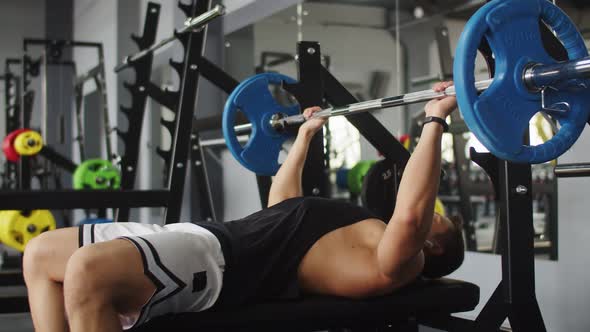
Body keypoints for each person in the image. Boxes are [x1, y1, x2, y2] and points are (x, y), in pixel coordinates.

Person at [23, 81, 464, 332]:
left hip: (221, 265)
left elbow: (410, 213)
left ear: (433, 247)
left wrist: (435, 119)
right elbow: (281, 206)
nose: (431, 212)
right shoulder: (360, 232)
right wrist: (305, 136)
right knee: (40, 254)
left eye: (437, 220)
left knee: (87, 271)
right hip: (204, 238)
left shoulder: (399, 261)